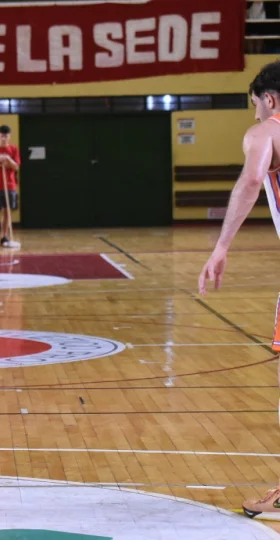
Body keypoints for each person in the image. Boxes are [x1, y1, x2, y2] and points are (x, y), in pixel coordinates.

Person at [199, 59, 280, 520]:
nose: (255, 113)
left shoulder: (266, 131)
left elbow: (252, 180)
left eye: (255, 104)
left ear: (269, 99)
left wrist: (221, 246)